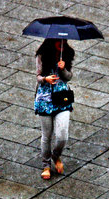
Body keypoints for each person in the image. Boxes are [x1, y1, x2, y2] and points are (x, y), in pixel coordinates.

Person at [34, 39, 75, 180]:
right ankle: (46, 164)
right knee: (47, 135)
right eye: (58, 41)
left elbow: (69, 77)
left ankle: (56, 155)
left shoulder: (67, 53)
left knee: (62, 134)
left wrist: (63, 69)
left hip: (62, 98)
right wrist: (46, 79)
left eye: (63, 40)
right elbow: (38, 76)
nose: (61, 43)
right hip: (45, 99)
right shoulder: (42, 54)